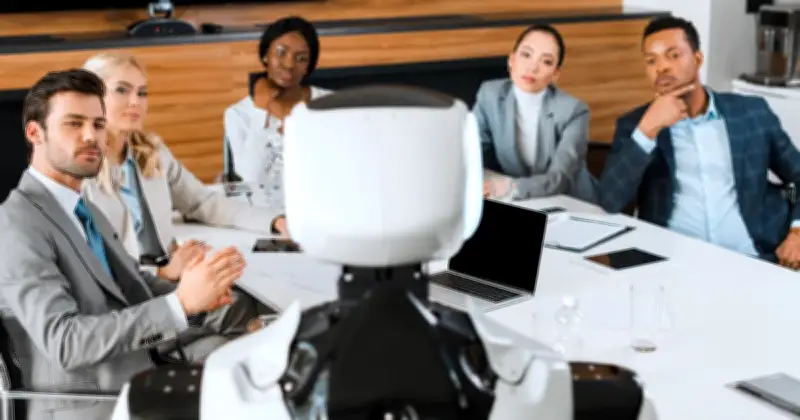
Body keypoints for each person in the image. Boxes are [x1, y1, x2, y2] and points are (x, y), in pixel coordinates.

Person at [0, 69, 247, 420]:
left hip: (136, 365)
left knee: (253, 352)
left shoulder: (84, 210)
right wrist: (181, 304)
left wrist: (209, 299)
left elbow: (135, 285)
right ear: (35, 133)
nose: (91, 136)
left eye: (98, 125)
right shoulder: (16, 223)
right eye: (74, 124)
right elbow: (65, 342)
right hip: (94, 400)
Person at [597, 16, 800, 267]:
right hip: (673, 264)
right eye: (651, 60)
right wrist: (648, 129)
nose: (661, 67)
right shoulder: (635, 125)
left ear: (698, 58)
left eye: (673, 55)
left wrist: (797, 231)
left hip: (754, 257)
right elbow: (610, 200)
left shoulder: (752, 112)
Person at [81, 52, 286, 281]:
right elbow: (86, 261)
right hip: (126, 291)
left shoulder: (152, 152)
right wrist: (162, 272)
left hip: (167, 280)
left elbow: (202, 202)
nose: (135, 101)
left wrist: (273, 221)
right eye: (122, 90)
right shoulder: (77, 170)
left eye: (142, 92)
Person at [223, 16, 331, 215]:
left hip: (321, 211)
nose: (289, 64)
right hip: (265, 219)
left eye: (301, 58)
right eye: (281, 53)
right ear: (265, 55)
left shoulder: (330, 104)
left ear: (308, 66)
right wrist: (261, 110)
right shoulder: (239, 114)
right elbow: (250, 178)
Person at [473, 23, 593, 201]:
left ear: (555, 74)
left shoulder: (573, 111)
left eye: (546, 61)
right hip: (521, 201)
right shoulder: (490, 94)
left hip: (571, 202)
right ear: (512, 60)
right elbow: (472, 150)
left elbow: (560, 179)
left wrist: (511, 188)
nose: (533, 67)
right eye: (526, 55)